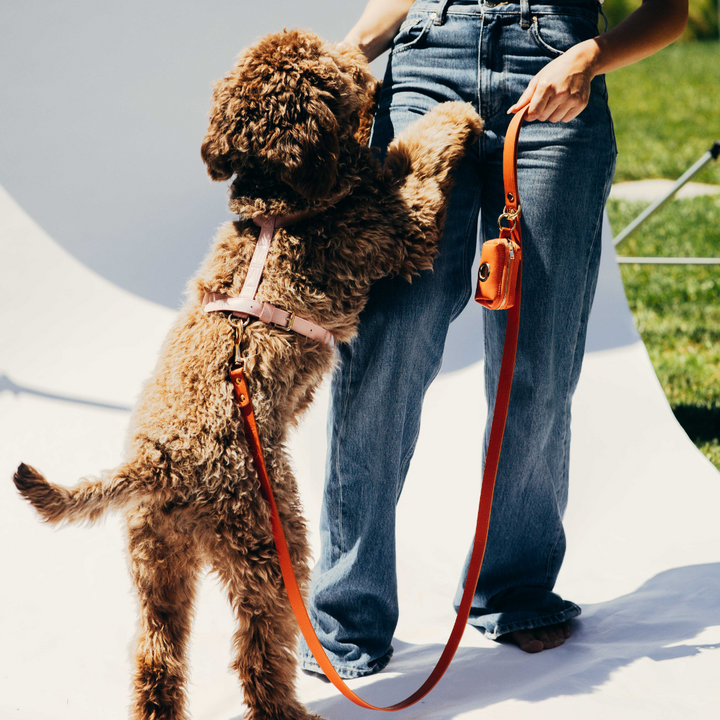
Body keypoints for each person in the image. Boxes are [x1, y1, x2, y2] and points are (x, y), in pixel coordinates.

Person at [300, 0, 689, 677]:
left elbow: (669, 11)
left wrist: (590, 58)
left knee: (538, 357)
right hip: (428, 61)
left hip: (555, 68)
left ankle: (514, 589)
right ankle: (345, 615)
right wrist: (352, 51)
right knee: (388, 341)